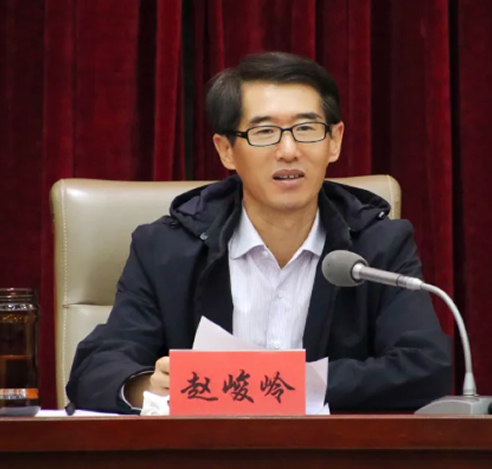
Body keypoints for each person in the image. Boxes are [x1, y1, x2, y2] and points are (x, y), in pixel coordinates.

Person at [66, 51, 452, 413]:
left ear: (334, 141)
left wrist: (280, 384)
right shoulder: (165, 249)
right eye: (265, 132)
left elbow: (426, 368)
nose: (288, 150)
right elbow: (95, 369)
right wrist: (149, 386)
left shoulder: (378, 245)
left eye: (306, 129)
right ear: (226, 150)